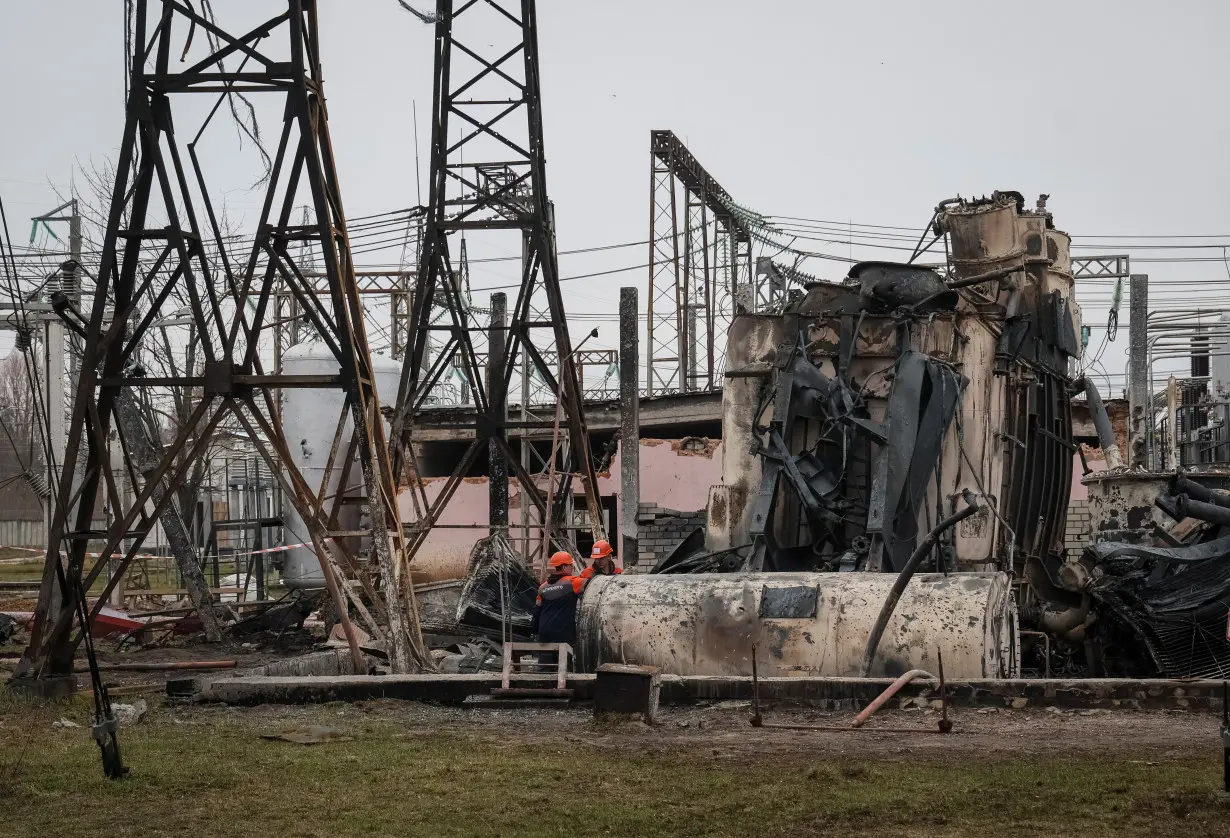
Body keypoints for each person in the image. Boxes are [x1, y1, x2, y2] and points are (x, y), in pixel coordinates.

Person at [530, 551, 586, 650]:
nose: (572, 568)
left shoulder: (543, 587)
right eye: (570, 565)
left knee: (545, 663)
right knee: (565, 663)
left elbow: (537, 611)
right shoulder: (572, 582)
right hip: (563, 634)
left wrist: (535, 631)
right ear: (564, 567)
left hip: (545, 633)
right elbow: (593, 583)